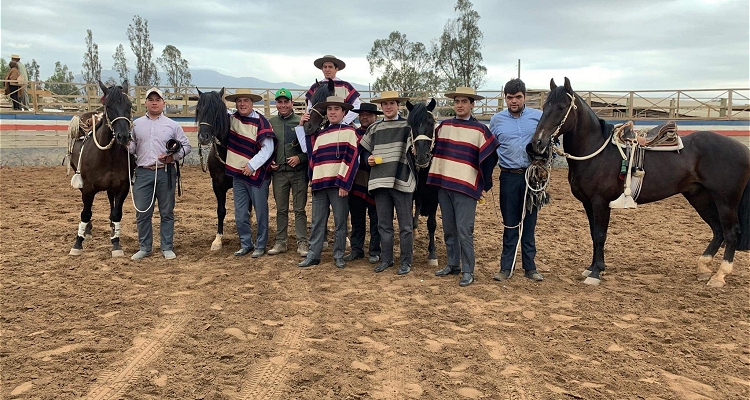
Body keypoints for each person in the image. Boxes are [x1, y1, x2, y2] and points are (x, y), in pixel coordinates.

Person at [429, 87, 499, 286]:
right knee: (449, 228)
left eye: (464, 102)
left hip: (466, 187)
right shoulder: (443, 127)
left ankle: (468, 270)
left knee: (464, 229)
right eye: (457, 101)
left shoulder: (480, 130)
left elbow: (490, 157)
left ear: (472, 104)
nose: (460, 105)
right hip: (445, 184)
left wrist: (484, 182)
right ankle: (453, 264)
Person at [295, 96, 360, 269]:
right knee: (317, 221)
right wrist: (301, 125)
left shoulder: (350, 132)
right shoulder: (321, 134)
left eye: (336, 109)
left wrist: (345, 183)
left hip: (338, 185)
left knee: (340, 222)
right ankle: (313, 255)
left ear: (344, 112)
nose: (332, 112)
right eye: (329, 109)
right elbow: (312, 155)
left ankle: (338, 254)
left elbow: (353, 159)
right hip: (320, 184)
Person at [489, 78, 544, 282]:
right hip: (508, 177)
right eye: (510, 97)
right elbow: (489, 149)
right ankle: (506, 268)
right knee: (510, 224)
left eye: (518, 97)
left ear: (525, 97)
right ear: (505, 98)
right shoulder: (496, 121)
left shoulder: (538, 117)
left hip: (532, 178)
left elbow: (550, 142)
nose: (514, 101)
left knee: (529, 224)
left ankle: (530, 268)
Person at [129, 87, 192, 260]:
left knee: (166, 211)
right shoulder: (136, 124)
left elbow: (186, 147)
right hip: (143, 172)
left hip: (165, 172)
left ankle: (166, 247)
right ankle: (145, 247)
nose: (154, 102)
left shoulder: (173, 125)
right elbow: (133, 148)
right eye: (151, 99)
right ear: (146, 103)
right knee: (142, 212)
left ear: (163, 103)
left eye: (158, 100)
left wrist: (172, 158)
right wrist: (126, 143)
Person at [358, 91, 416, 275]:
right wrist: (368, 159)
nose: (388, 107)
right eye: (385, 104)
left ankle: (406, 261)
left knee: (406, 226)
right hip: (380, 181)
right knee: (384, 225)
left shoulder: (408, 126)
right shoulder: (374, 128)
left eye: (391, 103)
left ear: (398, 105)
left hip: (402, 180)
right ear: (381, 108)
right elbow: (363, 151)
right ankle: (387, 259)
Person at [224, 89, 277, 258]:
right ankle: (246, 243)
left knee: (261, 211)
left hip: (256, 175)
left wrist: (252, 166)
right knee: (240, 213)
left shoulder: (261, 122)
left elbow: (267, 148)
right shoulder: (232, 120)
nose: (242, 104)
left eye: (246, 100)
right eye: (239, 101)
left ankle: (260, 245)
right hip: (238, 175)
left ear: (252, 103)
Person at [267, 88, 309, 257]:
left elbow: (310, 149)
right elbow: (266, 146)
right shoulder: (271, 123)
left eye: (286, 102)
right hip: (279, 174)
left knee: (299, 209)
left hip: (298, 173)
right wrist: (269, 161)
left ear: (292, 103)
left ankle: (302, 242)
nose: (283, 105)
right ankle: (281, 242)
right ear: (276, 104)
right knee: (281, 209)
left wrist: (300, 158)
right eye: (280, 102)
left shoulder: (301, 122)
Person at [344, 103, 382, 264]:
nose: (364, 117)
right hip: (357, 182)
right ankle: (356, 249)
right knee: (357, 219)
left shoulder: (380, 135)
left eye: (368, 114)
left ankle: (374, 250)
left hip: (376, 182)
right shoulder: (353, 135)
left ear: (375, 117)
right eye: (362, 114)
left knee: (376, 219)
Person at [304, 55, 361, 125]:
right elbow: (310, 108)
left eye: (330, 67)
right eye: (325, 67)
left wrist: (345, 122)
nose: (327, 69)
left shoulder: (345, 86)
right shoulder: (315, 87)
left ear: (336, 69)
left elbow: (357, 105)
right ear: (322, 69)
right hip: (318, 126)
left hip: (342, 126)